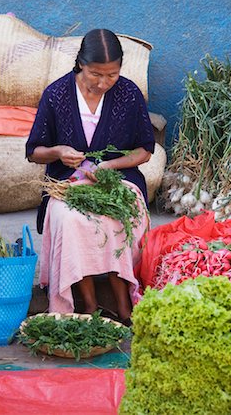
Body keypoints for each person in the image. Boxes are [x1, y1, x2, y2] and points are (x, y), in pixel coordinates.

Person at [26, 29, 155, 325]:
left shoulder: (128, 93)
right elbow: (34, 150)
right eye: (96, 74)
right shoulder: (56, 95)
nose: (103, 82)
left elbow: (144, 150)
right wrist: (58, 151)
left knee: (119, 216)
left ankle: (124, 304)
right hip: (68, 185)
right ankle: (89, 305)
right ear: (80, 64)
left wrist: (108, 167)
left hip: (118, 180)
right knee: (73, 220)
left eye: (112, 75)